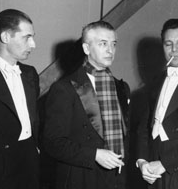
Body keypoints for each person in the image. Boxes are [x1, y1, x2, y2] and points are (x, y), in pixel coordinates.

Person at [43, 20, 130, 189]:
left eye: (113, 44)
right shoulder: (64, 88)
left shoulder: (121, 87)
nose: (110, 50)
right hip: (81, 177)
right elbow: (52, 142)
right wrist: (94, 155)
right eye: (102, 44)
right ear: (86, 48)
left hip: (117, 178)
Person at [136, 18, 178, 189]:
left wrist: (164, 164)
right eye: (168, 44)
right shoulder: (157, 80)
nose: (174, 49)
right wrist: (142, 160)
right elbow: (145, 126)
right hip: (153, 170)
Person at [0, 9, 40, 189]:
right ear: (6, 37)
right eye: (27, 37)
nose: (33, 44)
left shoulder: (30, 73)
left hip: (30, 163)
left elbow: (34, 116)